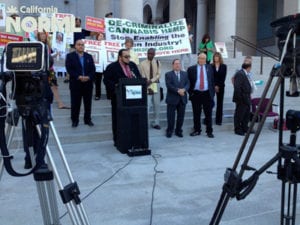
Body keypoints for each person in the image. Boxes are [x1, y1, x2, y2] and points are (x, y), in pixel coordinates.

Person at [103, 49, 141, 146]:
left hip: (132, 98)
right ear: (120, 57)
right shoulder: (112, 67)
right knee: (117, 119)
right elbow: (106, 81)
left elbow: (139, 78)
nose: (128, 58)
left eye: (129, 56)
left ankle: (132, 138)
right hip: (118, 99)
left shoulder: (132, 65)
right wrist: (116, 86)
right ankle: (117, 140)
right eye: (126, 57)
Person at [65, 39, 95, 127]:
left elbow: (93, 69)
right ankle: (74, 120)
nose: (81, 46)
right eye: (79, 44)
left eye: (82, 45)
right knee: (75, 103)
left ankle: (87, 119)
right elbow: (69, 69)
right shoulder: (70, 56)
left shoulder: (89, 56)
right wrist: (78, 77)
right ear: (75, 46)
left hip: (88, 83)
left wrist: (88, 77)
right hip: (76, 83)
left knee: (88, 103)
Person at [37, 32, 69, 109]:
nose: (43, 35)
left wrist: (56, 54)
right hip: (41, 70)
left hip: (50, 69)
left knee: (54, 86)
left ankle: (60, 103)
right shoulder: (38, 44)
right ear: (38, 36)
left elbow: (49, 56)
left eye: (44, 34)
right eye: (41, 34)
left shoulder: (48, 45)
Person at [187, 53, 215, 138]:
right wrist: (190, 93)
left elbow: (212, 81)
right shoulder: (191, 69)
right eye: (201, 58)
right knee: (196, 113)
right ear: (198, 59)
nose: (202, 60)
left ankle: (209, 131)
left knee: (208, 114)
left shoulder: (210, 68)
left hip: (207, 93)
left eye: (204, 58)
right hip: (196, 94)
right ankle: (197, 130)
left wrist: (212, 93)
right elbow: (188, 82)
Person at [165, 59, 190, 138]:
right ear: (173, 65)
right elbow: (169, 85)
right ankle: (170, 131)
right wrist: (178, 90)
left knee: (181, 116)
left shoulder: (185, 74)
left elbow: (188, 83)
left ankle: (178, 130)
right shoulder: (168, 74)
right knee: (170, 117)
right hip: (172, 98)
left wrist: (184, 89)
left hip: (182, 98)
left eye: (179, 63)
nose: (177, 65)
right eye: (176, 64)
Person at [140, 48, 161, 129]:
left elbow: (159, 75)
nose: (150, 55)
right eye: (149, 53)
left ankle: (156, 123)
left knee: (157, 105)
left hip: (155, 84)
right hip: (146, 85)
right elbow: (142, 75)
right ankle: (145, 123)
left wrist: (151, 80)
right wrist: (147, 83)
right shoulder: (142, 63)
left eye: (152, 54)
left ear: (154, 54)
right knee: (147, 105)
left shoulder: (158, 62)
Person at [64, 17, 91, 83]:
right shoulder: (70, 30)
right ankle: (68, 77)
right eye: (76, 22)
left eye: (79, 22)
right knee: (70, 63)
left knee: (81, 63)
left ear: (80, 23)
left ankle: (81, 75)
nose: (77, 23)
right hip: (73, 48)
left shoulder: (83, 30)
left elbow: (92, 33)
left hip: (81, 49)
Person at [232, 62, 252, 136]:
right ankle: (237, 129)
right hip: (242, 98)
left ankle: (245, 127)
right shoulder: (240, 74)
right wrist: (240, 98)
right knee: (239, 114)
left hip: (246, 97)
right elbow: (237, 87)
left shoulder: (245, 74)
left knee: (246, 114)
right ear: (249, 67)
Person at [212, 52, 227, 125]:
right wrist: (214, 85)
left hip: (221, 86)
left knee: (220, 103)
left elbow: (223, 77)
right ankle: (207, 119)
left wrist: (218, 86)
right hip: (212, 86)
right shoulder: (210, 66)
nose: (216, 58)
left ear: (220, 58)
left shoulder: (224, 66)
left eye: (217, 56)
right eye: (215, 57)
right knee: (209, 103)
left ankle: (219, 120)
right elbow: (211, 77)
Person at [94, 32, 105, 100]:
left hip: (105, 65)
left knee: (107, 80)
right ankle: (97, 95)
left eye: (102, 36)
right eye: (100, 36)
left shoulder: (106, 45)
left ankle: (109, 94)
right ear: (97, 37)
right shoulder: (94, 45)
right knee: (97, 81)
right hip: (98, 66)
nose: (101, 37)